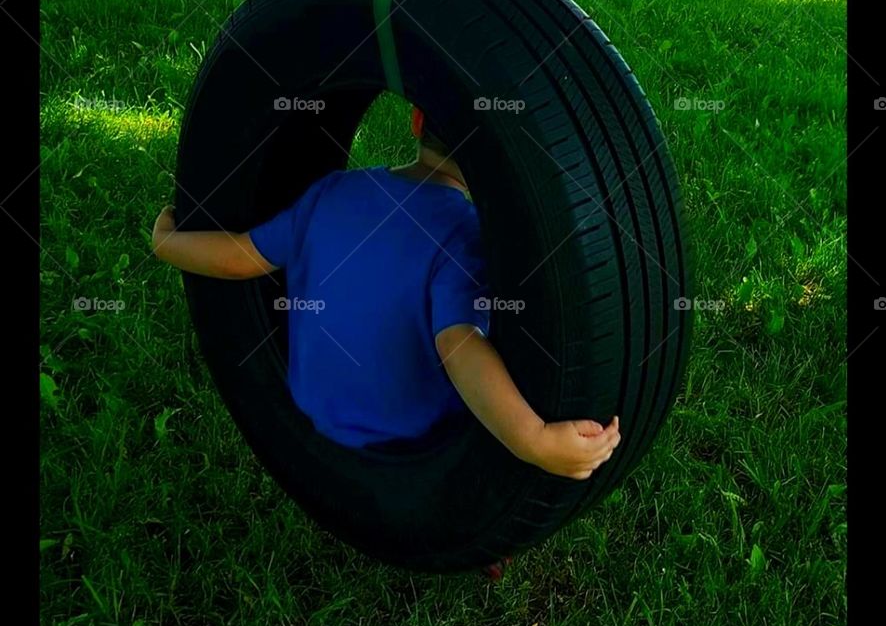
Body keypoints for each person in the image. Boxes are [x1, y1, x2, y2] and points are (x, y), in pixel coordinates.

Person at [152, 107, 620, 482]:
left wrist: (168, 244)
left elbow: (243, 257)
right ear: (497, 156)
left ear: (416, 120)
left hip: (315, 409)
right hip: (413, 438)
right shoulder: (466, 235)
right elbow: (458, 343)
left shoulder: (331, 191)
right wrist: (534, 439)